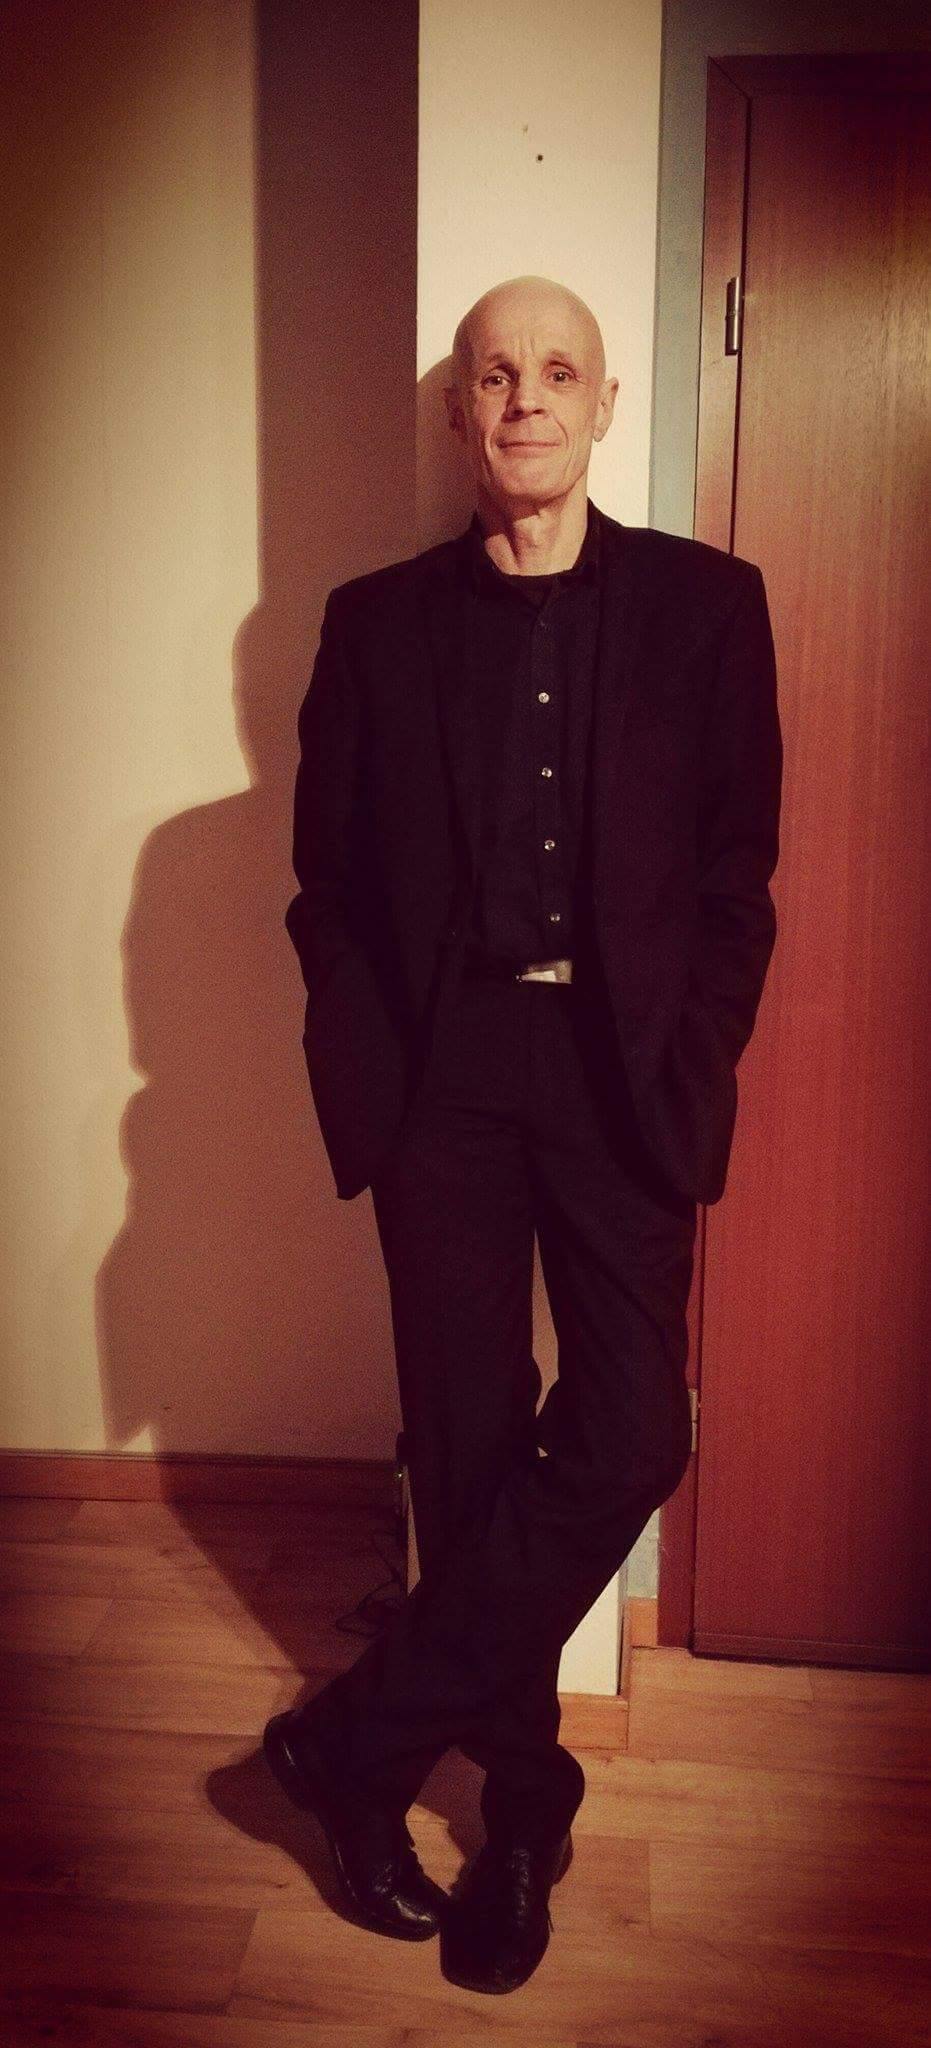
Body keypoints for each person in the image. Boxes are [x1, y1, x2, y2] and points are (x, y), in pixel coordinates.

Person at [264, 274, 783, 1993]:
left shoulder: (710, 608)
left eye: (559, 371)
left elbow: (737, 879)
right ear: (460, 411)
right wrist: (374, 1083)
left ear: (606, 404)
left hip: (623, 1074)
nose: (526, 400)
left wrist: (697, 1054)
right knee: (469, 1454)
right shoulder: (374, 624)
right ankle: (524, 1813)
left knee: (631, 1432)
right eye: (495, 375)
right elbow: (328, 887)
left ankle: (356, 1743)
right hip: (449, 1085)